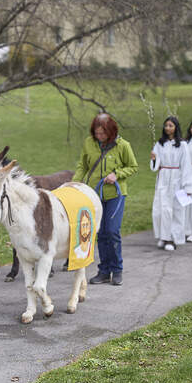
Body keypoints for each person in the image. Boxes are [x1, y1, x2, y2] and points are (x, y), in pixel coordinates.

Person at [73, 113, 139, 284]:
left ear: (111, 131)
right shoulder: (89, 143)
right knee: (100, 233)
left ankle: (117, 269)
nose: (99, 136)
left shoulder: (123, 146)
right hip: (94, 195)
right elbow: (83, 165)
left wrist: (117, 174)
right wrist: (74, 183)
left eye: (103, 133)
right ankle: (103, 270)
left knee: (112, 231)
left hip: (115, 195)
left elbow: (133, 166)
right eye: (97, 133)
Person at [150, 116, 192, 251]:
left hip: (176, 179)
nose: (168, 128)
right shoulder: (160, 144)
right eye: (166, 125)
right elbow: (155, 165)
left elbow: (186, 165)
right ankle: (163, 236)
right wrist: (154, 159)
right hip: (163, 178)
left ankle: (172, 238)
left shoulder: (182, 145)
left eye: (171, 126)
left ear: (176, 127)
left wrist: (187, 186)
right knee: (160, 209)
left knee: (174, 210)